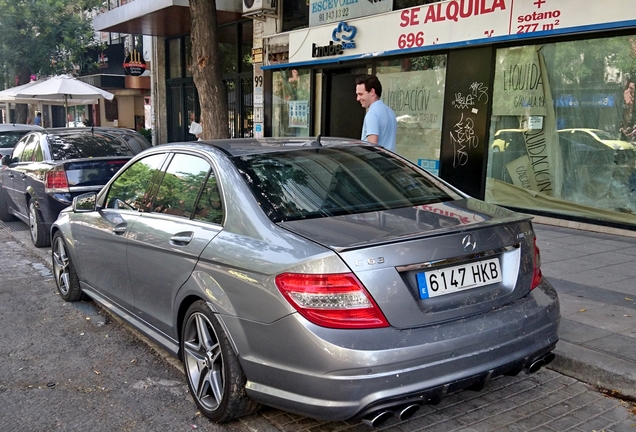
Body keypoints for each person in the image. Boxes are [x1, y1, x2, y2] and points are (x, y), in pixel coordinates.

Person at [355, 74, 397, 151]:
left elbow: (372, 147)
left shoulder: (372, 114)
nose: (358, 98)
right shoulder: (390, 112)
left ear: (372, 92)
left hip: (375, 162)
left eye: (360, 94)